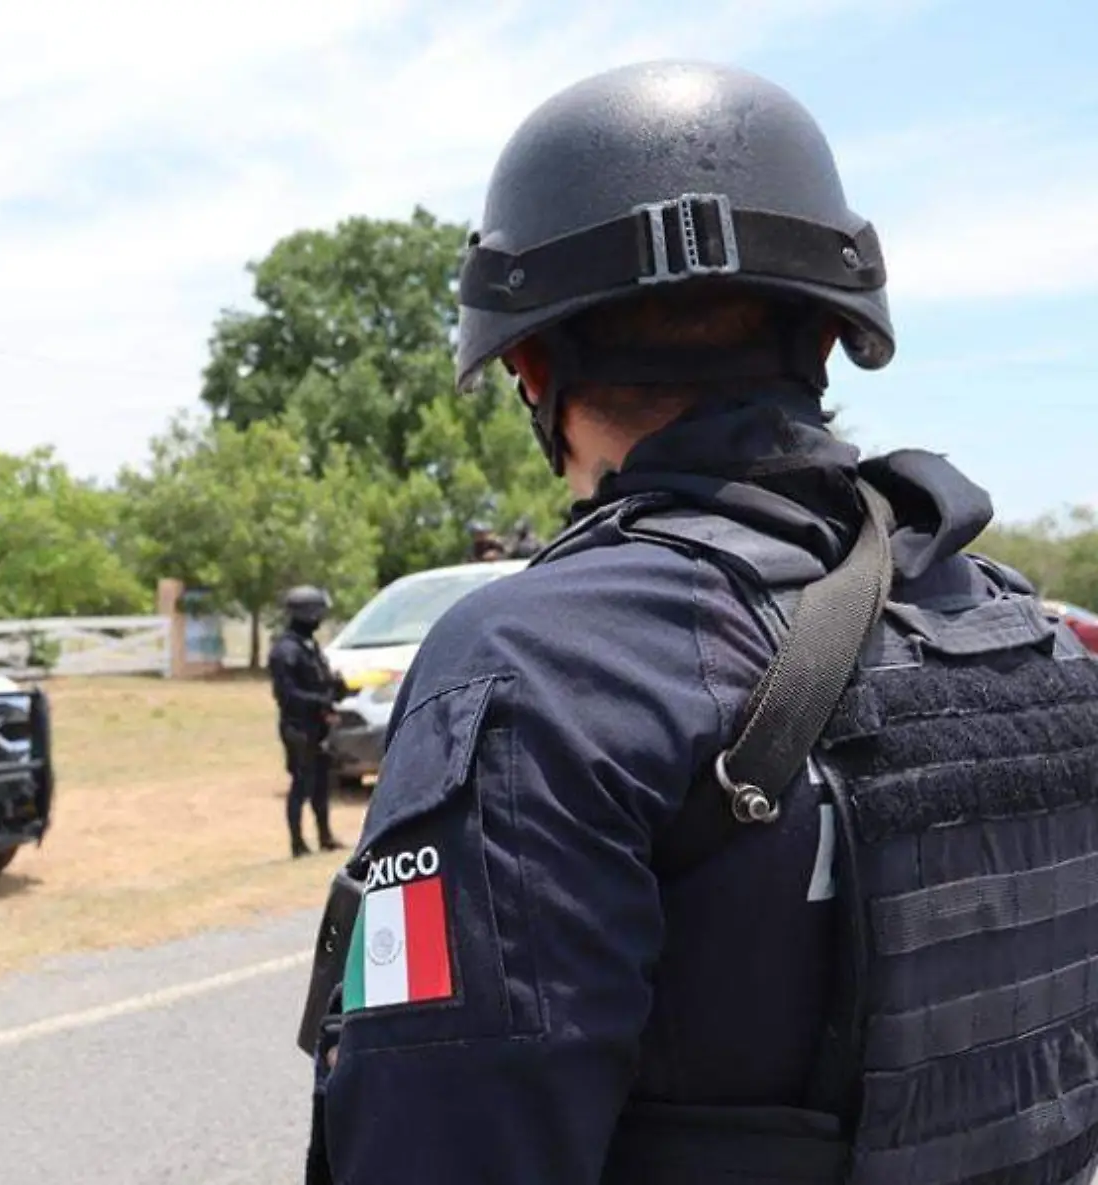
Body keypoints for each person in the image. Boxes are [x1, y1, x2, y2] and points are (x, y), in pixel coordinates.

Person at [302, 60, 1098, 1185]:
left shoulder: (542, 664)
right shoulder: (1025, 637)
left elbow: (444, 1144)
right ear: (825, 339)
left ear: (527, 363)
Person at [268, 585, 350, 858]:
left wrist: (336, 687)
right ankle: (297, 843)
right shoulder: (286, 651)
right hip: (298, 727)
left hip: (319, 726)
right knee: (301, 783)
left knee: (321, 784)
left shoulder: (310, 647)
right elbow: (287, 693)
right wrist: (321, 701)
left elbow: (320, 681)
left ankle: (325, 837)